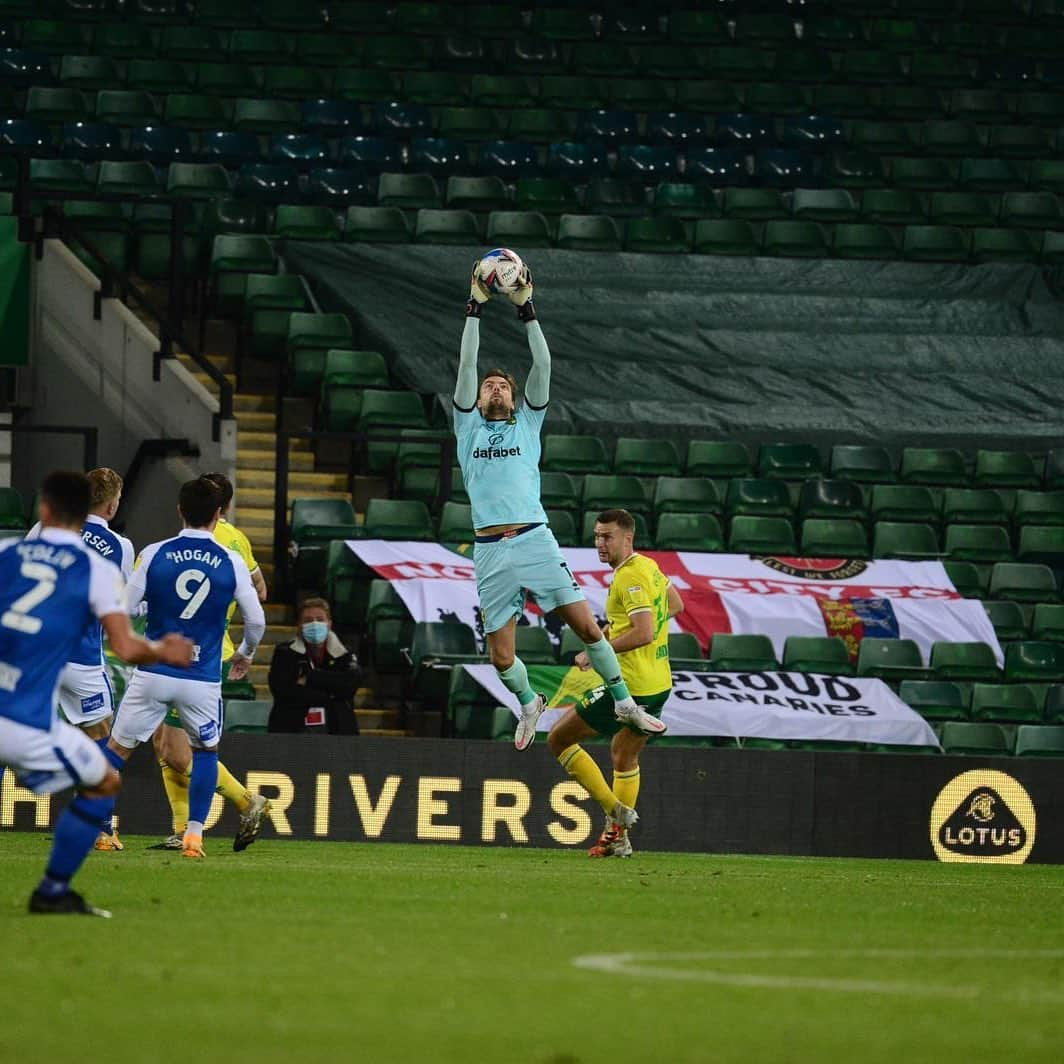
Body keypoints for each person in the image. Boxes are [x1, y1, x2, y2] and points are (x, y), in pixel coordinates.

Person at [454, 261, 666, 802]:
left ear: (514, 396)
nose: (495, 389)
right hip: (488, 549)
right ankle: (529, 704)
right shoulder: (466, 425)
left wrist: (526, 309)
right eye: (488, 387)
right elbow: (468, 360)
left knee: (588, 630)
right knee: (502, 657)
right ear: (477, 400)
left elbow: (543, 361)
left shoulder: (528, 422)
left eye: (503, 385)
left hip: (532, 537)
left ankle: (622, 701)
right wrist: (474, 308)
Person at [0, 470, 192, 916]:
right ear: (108, 507)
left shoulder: (10, 551)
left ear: (44, 510)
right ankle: (54, 888)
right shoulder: (101, 565)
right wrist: (166, 648)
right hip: (35, 706)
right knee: (103, 773)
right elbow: (125, 644)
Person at [109, 477, 266, 859]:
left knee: (116, 753)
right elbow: (257, 618)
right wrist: (245, 653)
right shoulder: (231, 558)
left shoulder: (155, 553)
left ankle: (97, 828)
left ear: (179, 510)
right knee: (204, 751)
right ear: (219, 514)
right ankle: (193, 836)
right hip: (202, 676)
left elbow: (125, 609)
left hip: (155, 672)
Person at [547, 509, 684, 859]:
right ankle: (618, 839)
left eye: (607, 537)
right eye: (596, 536)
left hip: (631, 685)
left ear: (628, 538)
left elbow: (643, 631)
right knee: (624, 756)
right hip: (658, 681)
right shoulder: (649, 566)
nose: (599, 543)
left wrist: (598, 652)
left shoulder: (628, 579)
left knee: (559, 738)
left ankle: (616, 813)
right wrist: (609, 635)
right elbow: (675, 604)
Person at [151, 469, 271, 852]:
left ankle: (247, 802)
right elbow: (261, 589)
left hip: (198, 655)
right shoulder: (237, 540)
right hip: (203, 649)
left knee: (178, 750)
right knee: (163, 744)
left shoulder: (198, 543)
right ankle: (181, 827)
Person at [28, 466, 134, 851]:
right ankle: (101, 829)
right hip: (82, 658)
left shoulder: (46, 529)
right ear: (110, 506)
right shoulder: (120, 546)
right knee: (102, 739)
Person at [268, 597, 361, 734]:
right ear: (299, 625)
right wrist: (331, 694)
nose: (314, 624)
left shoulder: (345, 653)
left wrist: (310, 678)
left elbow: (350, 685)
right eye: (308, 620)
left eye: (320, 619)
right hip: (291, 731)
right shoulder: (284, 653)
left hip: (338, 730)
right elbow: (283, 690)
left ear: (329, 624)